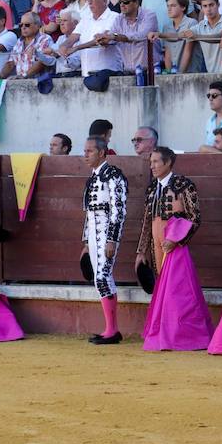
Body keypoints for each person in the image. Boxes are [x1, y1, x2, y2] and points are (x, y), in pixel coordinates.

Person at [80, 135, 128, 345]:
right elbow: (89, 213)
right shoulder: (93, 177)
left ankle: (112, 330)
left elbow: (119, 211)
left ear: (101, 153)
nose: (85, 155)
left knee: (102, 277)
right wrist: (85, 243)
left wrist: (112, 239)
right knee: (101, 279)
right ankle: (110, 329)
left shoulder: (114, 175)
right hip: (93, 234)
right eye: (84, 151)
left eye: (89, 151)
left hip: (107, 235)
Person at [136, 145, 201, 289]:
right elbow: (147, 221)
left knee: (176, 286)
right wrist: (141, 251)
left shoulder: (184, 185)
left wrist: (178, 240)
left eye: (156, 162)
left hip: (175, 247)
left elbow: (195, 218)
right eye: (150, 162)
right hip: (156, 247)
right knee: (161, 284)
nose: (152, 166)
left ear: (168, 162)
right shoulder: (152, 188)